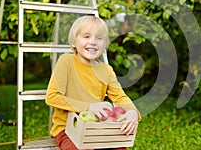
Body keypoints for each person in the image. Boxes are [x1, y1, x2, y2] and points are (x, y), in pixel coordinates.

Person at [46, 15, 140, 150]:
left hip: (96, 128)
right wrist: (89, 107)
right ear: (74, 42)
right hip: (67, 129)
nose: (93, 42)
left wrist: (133, 112)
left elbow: (120, 97)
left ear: (105, 44)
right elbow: (52, 97)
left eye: (99, 38)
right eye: (86, 37)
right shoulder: (66, 61)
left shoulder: (106, 70)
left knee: (119, 147)